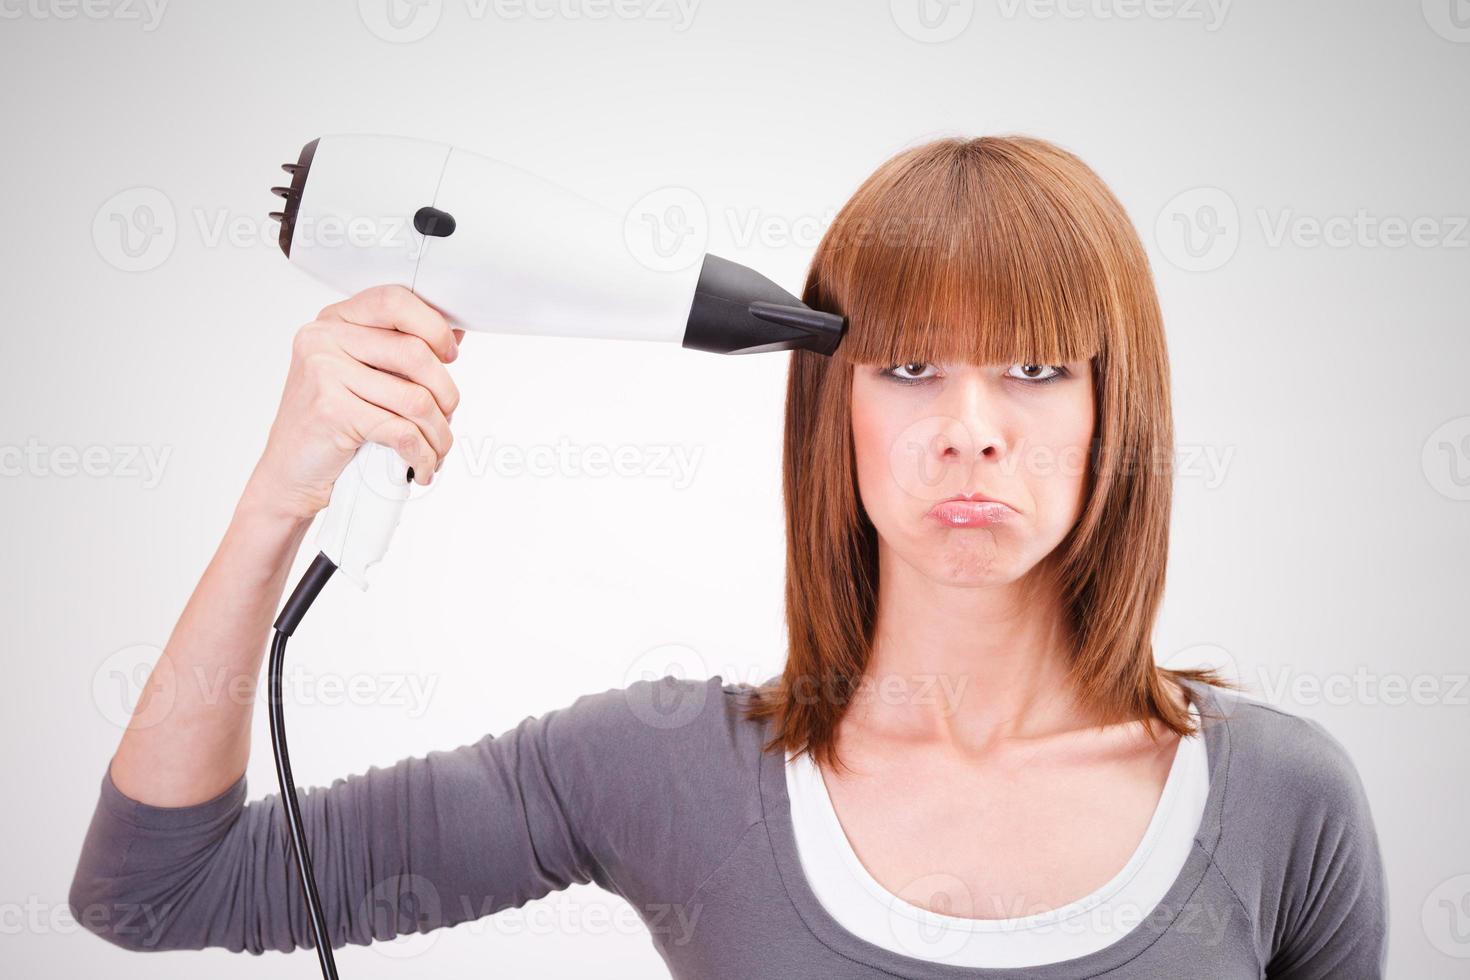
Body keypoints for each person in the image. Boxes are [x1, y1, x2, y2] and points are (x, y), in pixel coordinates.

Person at [69, 135, 1389, 978]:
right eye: (912, 367)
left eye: (1037, 369)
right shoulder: (662, 769)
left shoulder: (1276, 802)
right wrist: (270, 509)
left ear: (1119, 406)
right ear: (834, 401)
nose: (971, 435)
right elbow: (157, 893)